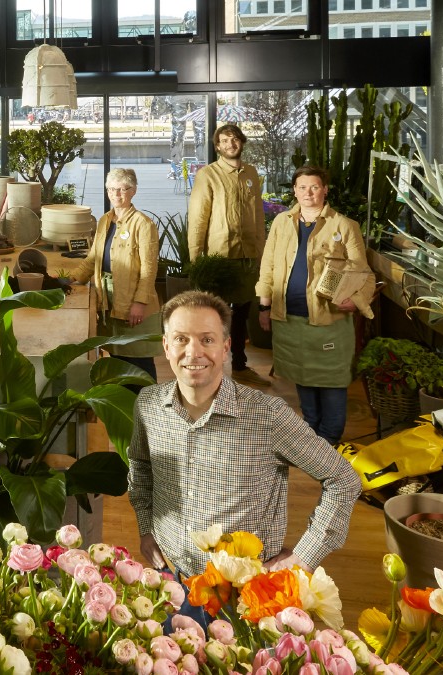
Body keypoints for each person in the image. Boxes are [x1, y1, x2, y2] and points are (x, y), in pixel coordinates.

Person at [128, 291, 361, 587]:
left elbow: (343, 478)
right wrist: (147, 528)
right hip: (171, 575)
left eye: (207, 340)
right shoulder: (147, 405)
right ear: (166, 346)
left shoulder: (268, 416)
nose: (193, 352)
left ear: (226, 347)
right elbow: (141, 465)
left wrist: (303, 557)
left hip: (245, 589)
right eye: (181, 339)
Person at [257, 165, 374, 445]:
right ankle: (311, 435)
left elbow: (362, 271)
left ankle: (330, 439)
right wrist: (264, 306)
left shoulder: (344, 226)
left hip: (328, 319)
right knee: (303, 376)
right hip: (289, 315)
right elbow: (269, 265)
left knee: (331, 380)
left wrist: (355, 302)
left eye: (314, 187)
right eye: (302, 187)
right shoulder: (282, 222)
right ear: (294, 190)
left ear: (324, 190)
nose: (308, 192)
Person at [187, 123, 270, 387]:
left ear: (242, 142)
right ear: (218, 146)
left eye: (234, 138)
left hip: (248, 255)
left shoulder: (251, 173)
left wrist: (263, 252)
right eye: (224, 140)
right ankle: (213, 369)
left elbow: (258, 215)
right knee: (217, 316)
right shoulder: (208, 175)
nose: (230, 144)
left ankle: (240, 366)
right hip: (220, 257)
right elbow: (198, 218)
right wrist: (195, 257)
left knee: (243, 312)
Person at [70, 168, 162, 382]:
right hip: (108, 299)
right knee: (118, 357)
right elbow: (93, 258)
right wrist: (72, 278)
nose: (116, 194)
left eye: (123, 189)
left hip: (132, 300)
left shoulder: (144, 224)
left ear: (134, 191)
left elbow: (149, 269)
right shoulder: (104, 221)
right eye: (111, 189)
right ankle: (125, 404)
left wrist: (140, 302)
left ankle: (147, 406)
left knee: (139, 360)